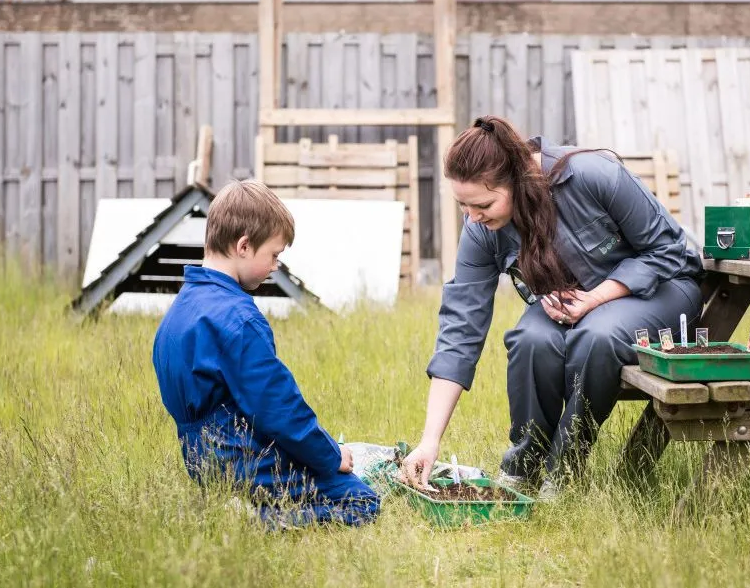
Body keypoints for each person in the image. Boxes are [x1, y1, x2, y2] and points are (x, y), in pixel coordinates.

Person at [401, 116, 704, 497]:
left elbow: (670, 251)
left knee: (597, 335)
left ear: (516, 177)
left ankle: (564, 472)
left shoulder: (593, 175)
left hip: (661, 291)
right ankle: (523, 469)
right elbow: (460, 328)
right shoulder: (481, 230)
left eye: (482, 204)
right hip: (576, 305)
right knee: (531, 339)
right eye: (462, 205)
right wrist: (430, 440)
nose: (472, 217)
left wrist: (597, 297)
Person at [152, 179, 379, 527]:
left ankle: (234, 505)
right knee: (361, 500)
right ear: (244, 246)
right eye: (273, 255)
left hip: (200, 460)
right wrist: (330, 455)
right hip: (242, 460)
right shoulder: (238, 319)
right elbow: (277, 408)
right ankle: (258, 520)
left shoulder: (180, 309)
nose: (275, 266)